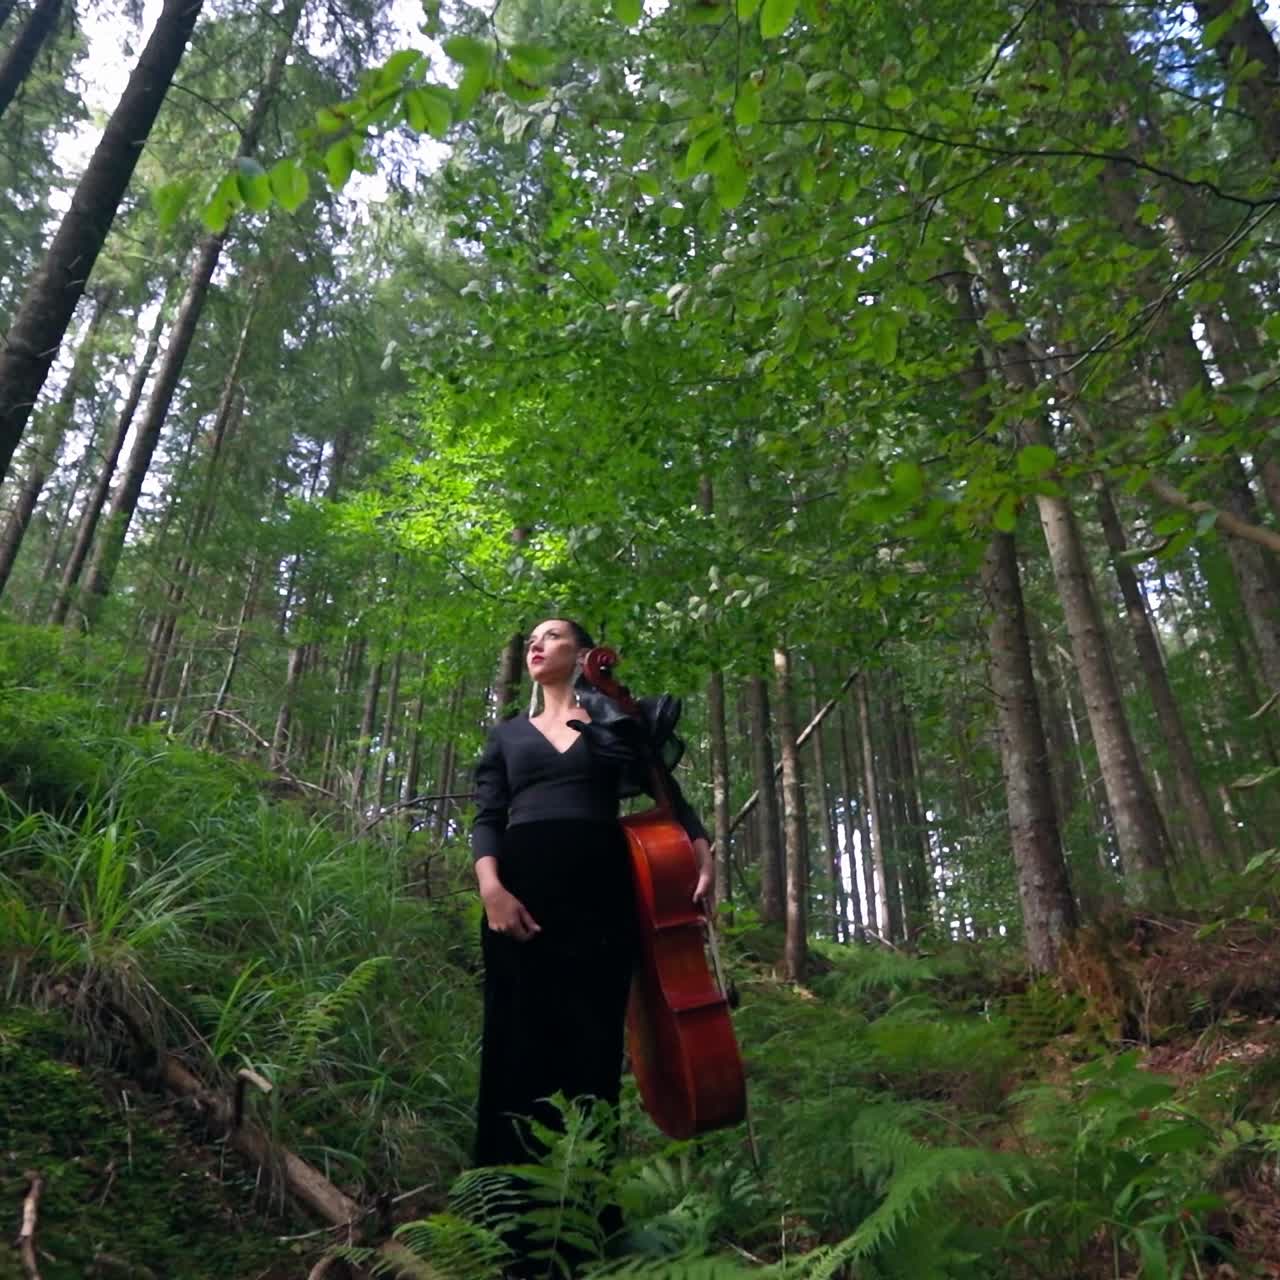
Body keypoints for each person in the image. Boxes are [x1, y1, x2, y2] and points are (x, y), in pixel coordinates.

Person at [470, 617, 712, 1271]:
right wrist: (491, 888)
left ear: (583, 654)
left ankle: (582, 1229)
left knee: (591, 1055)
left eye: (551, 636)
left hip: (602, 902)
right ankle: (503, 1225)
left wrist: (702, 851)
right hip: (518, 900)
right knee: (514, 1051)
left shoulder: (614, 721)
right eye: (529, 640)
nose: (535, 646)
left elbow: (669, 797)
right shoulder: (507, 737)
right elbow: (487, 817)